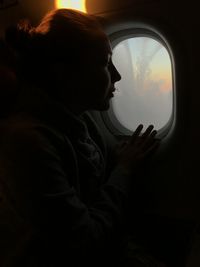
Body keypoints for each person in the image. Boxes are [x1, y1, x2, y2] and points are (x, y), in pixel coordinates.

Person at [0, 8, 164, 267]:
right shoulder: (27, 143)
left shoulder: (78, 119)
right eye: (104, 63)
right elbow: (84, 242)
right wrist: (124, 169)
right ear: (64, 74)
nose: (118, 75)